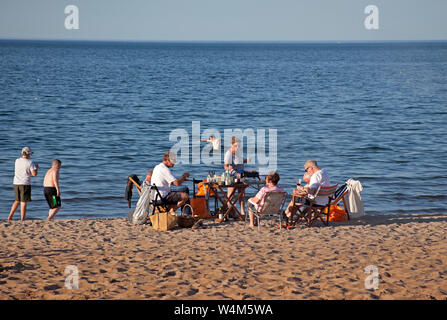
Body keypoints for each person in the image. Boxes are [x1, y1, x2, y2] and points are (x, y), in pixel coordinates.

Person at [284, 160, 330, 225]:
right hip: (325, 201)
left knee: (295, 197)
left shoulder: (315, 176)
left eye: (306, 170)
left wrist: (301, 189)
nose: (307, 172)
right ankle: (288, 216)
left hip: (315, 202)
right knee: (298, 197)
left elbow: (310, 191)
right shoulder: (324, 172)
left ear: (311, 168)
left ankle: (286, 215)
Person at [8, 147, 39, 221]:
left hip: (16, 182)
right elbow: (34, 174)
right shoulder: (30, 162)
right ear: (28, 154)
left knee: (17, 200)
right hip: (25, 183)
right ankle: (22, 218)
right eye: (30, 154)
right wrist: (36, 168)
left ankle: (10, 216)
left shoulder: (17, 160)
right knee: (23, 202)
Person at [224, 137, 250, 219]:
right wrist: (232, 170)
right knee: (231, 196)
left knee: (241, 194)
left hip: (241, 175)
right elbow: (225, 166)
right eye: (236, 145)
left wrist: (246, 160)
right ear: (232, 144)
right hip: (232, 176)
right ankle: (229, 212)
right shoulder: (229, 153)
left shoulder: (239, 152)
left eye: (239, 146)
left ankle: (242, 212)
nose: (237, 147)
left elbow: (240, 161)